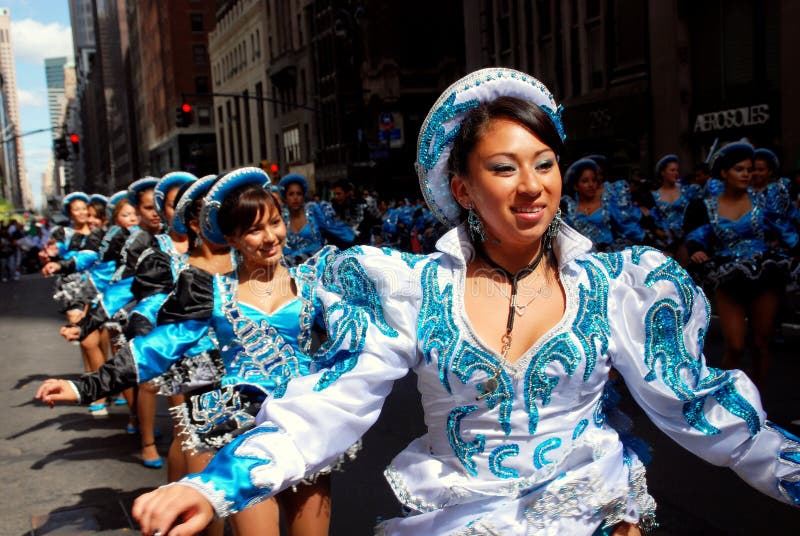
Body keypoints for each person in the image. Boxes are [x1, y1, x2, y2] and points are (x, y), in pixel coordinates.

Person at [125, 68, 800, 535]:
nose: (533, 185)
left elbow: (708, 410)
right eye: (504, 168)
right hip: (457, 518)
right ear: (463, 189)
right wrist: (213, 486)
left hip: (593, 514)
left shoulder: (618, 285)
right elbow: (328, 407)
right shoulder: (413, 290)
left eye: (545, 162)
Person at [38, 167, 348, 536]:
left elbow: (363, 345)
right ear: (231, 237)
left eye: (275, 223)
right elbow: (154, 349)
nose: (270, 237)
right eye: (253, 230)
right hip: (239, 431)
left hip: (302, 427)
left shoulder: (314, 284)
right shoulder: (211, 291)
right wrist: (83, 387)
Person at [685, 142, 799, 390]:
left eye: (749, 169)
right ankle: (727, 398)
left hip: (764, 276)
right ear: (724, 173)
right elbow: (696, 237)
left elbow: (789, 232)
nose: (747, 174)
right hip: (728, 279)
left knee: (760, 342)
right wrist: (697, 251)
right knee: (735, 345)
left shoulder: (763, 202)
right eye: (739, 169)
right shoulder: (707, 206)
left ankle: (756, 399)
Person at [560, 158, 644, 251]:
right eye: (585, 181)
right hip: (582, 257)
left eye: (594, 180)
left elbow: (627, 227)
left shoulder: (608, 202)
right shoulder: (568, 208)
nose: (591, 185)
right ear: (575, 186)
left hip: (611, 255)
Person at [280, 173, 355, 265]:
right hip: (290, 269)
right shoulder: (281, 218)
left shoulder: (314, 211)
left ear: (303, 196)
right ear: (285, 198)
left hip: (316, 267)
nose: (295, 198)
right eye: (291, 194)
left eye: (299, 194)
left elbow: (338, 230)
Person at [647, 154, 703, 265]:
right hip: (665, 242)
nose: (676, 173)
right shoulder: (654, 196)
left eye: (677, 170)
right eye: (672, 170)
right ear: (663, 173)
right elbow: (651, 220)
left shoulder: (687, 191)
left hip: (685, 239)